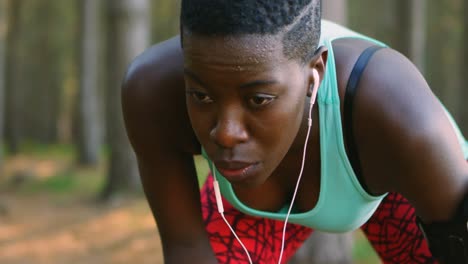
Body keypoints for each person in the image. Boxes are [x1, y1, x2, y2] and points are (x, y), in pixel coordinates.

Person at [122, 0, 468, 263]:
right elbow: (186, 247)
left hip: (394, 184)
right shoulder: (154, 92)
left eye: (258, 99)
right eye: (202, 96)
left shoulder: (402, 124)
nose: (225, 134)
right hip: (253, 185)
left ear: (314, 72)